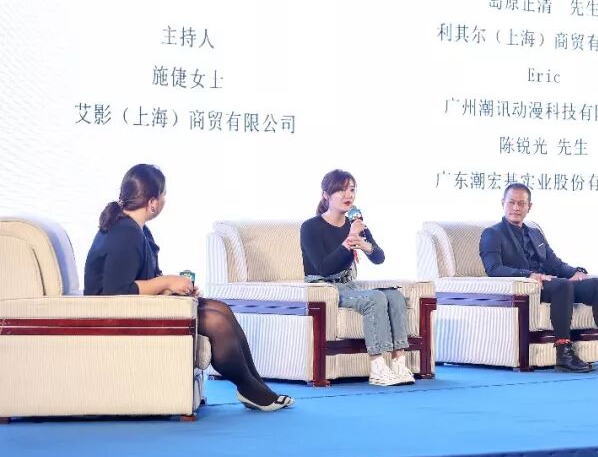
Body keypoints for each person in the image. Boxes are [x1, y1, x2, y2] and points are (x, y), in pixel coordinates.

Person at [84, 164, 292, 412]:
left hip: (137, 307)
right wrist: (167, 282)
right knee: (216, 322)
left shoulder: (137, 229)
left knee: (221, 309)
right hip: (115, 317)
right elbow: (117, 291)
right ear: (153, 202)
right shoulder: (125, 232)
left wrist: (173, 289)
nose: (164, 200)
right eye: (163, 195)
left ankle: (256, 387)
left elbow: (140, 280)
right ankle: (250, 389)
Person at [479, 183, 598, 373]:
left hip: (552, 283)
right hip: (529, 287)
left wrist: (576, 272)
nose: (516, 208)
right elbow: (493, 269)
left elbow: (555, 264)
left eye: (521, 203)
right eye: (511, 202)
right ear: (503, 203)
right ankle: (563, 353)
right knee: (562, 286)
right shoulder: (492, 233)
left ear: (529, 207)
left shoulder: (535, 233)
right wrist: (529, 275)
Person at [300, 169, 414, 386]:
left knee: (395, 296)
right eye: (341, 190)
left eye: (351, 190)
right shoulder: (311, 227)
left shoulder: (356, 223)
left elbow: (379, 257)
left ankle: (399, 363)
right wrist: (349, 240)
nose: (348, 195)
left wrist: (363, 244)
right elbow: (324, 267)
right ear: (326, 195)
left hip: (348, 285)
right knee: (375, 298)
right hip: (325, 288)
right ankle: (377, 367)